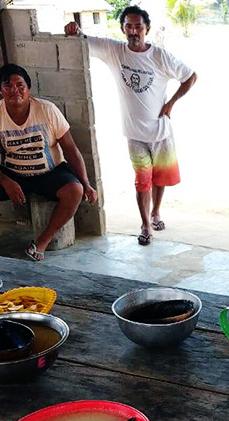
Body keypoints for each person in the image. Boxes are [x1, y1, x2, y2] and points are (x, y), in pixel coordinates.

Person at [65, 6, 197, 246]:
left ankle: (156, 211)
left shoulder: (160, 56)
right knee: (142, 181)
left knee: (159, 179)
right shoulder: (115, 51)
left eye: (138, 26)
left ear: (147, 29)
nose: (134, 31)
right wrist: (74, 30)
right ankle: (146, 224)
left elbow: (190, 76)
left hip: (161, 132)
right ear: (123, 28)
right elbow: (85, 40)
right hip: (134, 135)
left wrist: (171, 104)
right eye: (129, 26)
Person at [0, 63, 98, 261]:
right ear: (0, 90)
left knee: (75, 190)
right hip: (11, 174)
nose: (15, 91)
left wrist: (86, 183)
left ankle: (40, 243)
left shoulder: (47, 110)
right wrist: (6, 181)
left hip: (50, 172)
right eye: (8, 86)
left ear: (28, 88)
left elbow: (71, 149)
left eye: (20, 85)